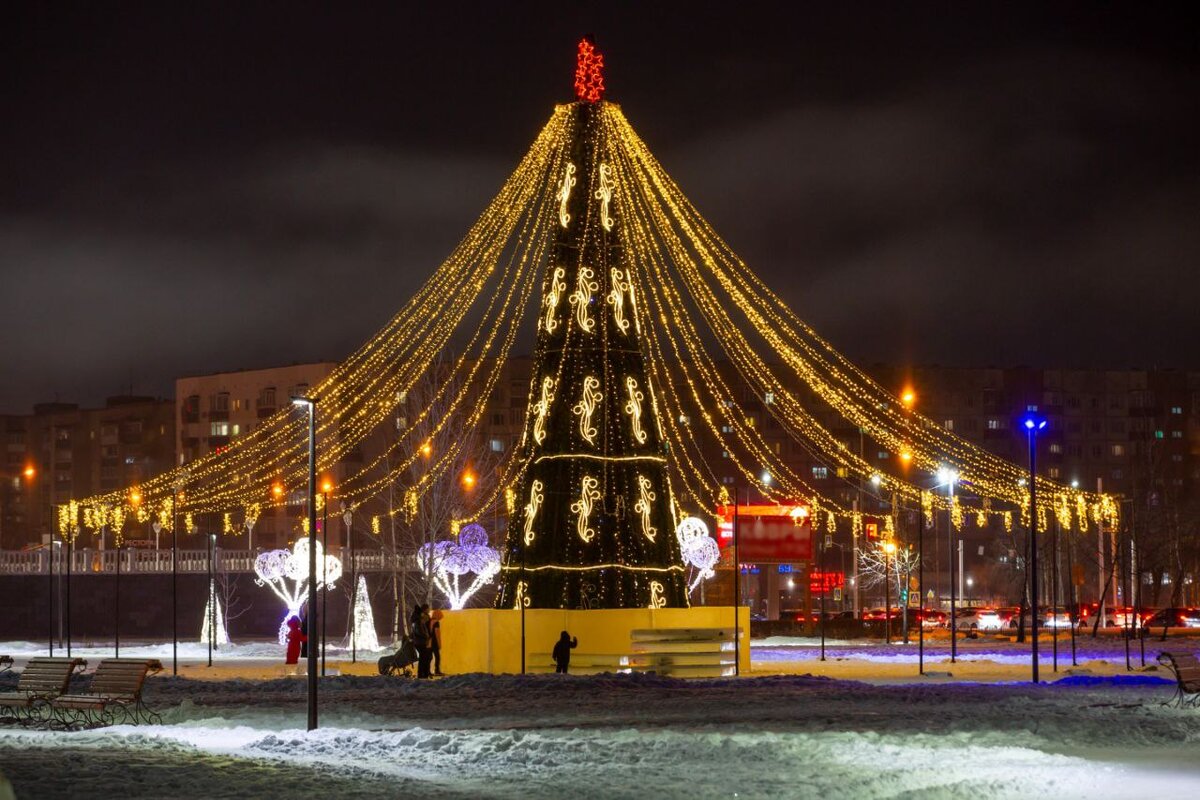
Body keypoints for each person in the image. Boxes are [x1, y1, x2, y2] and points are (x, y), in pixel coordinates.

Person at [411, 603, 433, 679]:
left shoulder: (415, 621)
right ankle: (423, 674)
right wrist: (426, 636)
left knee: (423, 658)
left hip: (419, 642)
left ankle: (423, 674)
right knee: (424, 658)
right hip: (421, 642)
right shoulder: (418, 621)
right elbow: (420, 631)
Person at [430, 609, 444, 676]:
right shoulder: (436, 622)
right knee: (437, 657)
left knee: (429, 657)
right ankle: (437, 670)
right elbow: (437, 633)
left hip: (429, 641)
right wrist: (439, 643)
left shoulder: (429, 621)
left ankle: (428, 670)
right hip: (435, 642)